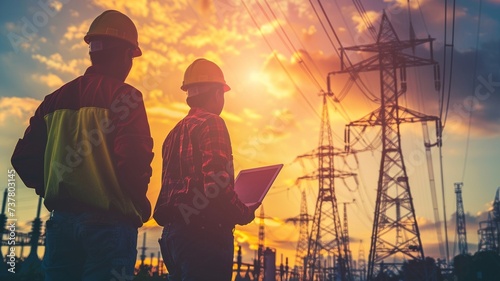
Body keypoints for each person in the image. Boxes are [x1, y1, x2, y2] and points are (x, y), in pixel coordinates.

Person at [11, 10, 153, 280]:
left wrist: (54, 187)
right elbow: (134, 161)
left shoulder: (53, 101)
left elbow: (23, 159)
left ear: (93, 51)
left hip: (61, 224)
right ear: (125, 55)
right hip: (109, 226)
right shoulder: (127, 98)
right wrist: (138, 203)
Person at [153, 58, 259, 281]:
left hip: (173, 236)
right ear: (217, 93)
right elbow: (216, 186)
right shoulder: (212, 123)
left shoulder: (172, 134)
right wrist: (243, 212)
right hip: (204, 238)